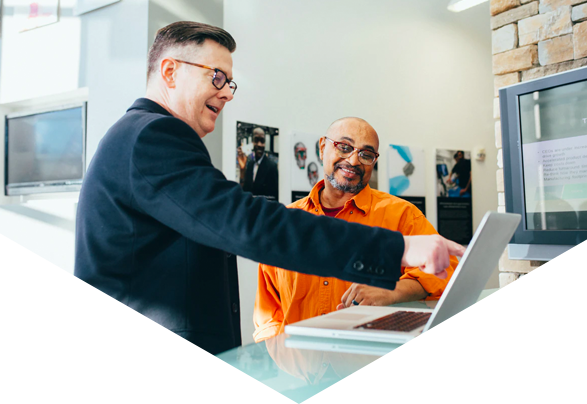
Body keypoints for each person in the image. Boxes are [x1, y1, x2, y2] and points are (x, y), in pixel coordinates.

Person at [58, 22, 465, 403]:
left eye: (229, 82)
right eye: (216, 76)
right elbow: (248, 223)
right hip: (139, 377)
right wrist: (398, 250)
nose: (227, 92)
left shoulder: (143, 138)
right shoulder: (152, 136)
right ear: (169, 72)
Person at [254, 118, 459, 342]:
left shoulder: (402, 215)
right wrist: (280, 357)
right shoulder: (287, 222)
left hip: (372, 365)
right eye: (344, 147)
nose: (353, 160)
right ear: (323, 147)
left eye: (366, 154)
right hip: (300, 368)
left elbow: (448, 269)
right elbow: (268, 311)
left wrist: (392, 291)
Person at [241, 127, 279, 201]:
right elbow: (245, 190)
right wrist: (242, 170)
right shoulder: (250, 164)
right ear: (252, 141)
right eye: (256, 140)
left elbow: (275, 197)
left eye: (262, 141)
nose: (259, 144)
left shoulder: (272, 167)